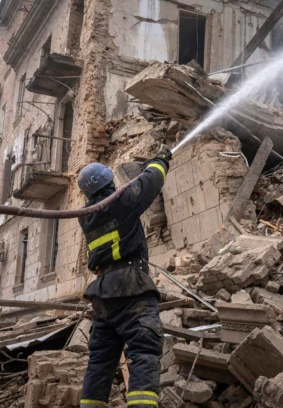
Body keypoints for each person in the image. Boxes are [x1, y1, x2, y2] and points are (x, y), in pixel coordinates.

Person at [78, 150, 172, 408]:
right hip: (131, 287)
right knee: (144, 351)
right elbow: (151, 182)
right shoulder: (120, 202)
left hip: (102, 295)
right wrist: (160, 161)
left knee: (100, 361)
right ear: (109, 181)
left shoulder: (87, 217)